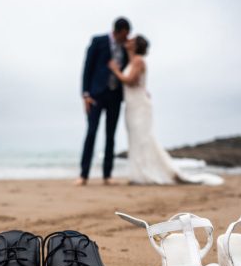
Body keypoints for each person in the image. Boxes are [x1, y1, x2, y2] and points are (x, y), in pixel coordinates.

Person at [108, 35, 223, 186]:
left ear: (136, 45)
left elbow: (131, 81)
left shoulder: (138, 61)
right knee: (136, 139)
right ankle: (139, 174)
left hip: (139, 106)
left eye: (132, 40)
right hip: (132, 104)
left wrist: (115, 71)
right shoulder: (132, 61)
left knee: (143, 139)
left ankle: (145, 174)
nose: (128, 41)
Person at [77, 17, 130, 186]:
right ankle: (83, 175)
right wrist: (85, 94)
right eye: (125, 34)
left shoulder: (125, 48)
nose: (126, 37)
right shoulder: (98, 41)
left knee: (110, 136)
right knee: (91, 133)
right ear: (118, 31)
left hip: (115, 96)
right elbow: (87, 67)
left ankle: (107, 175)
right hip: (96, 95)